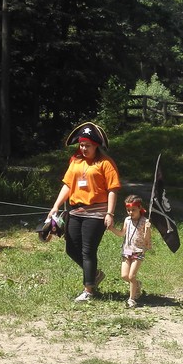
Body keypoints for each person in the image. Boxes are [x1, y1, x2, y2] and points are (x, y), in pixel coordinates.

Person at [47, 123, 120, 302]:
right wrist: (56, 206)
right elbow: (67, 185)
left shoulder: (106, 163)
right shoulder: (76, 161)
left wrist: (110, 214)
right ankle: (94, 274)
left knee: (88, 251)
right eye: (81, 145)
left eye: (87, 145)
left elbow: (112, 189)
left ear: (96, 146)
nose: (83, 148)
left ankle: (89, 290)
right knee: (71, 249)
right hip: (76, 212)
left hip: (96, 213)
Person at [108, 194, 151, 308]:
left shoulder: (144, 221)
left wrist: (147, 229)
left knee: (132, 276)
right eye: (128, 210)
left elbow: (147, 240)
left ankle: (131, 299)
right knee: (124, 275)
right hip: (127, 251)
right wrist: (112, 229)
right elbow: (122, 233)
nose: (131, 212)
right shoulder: (127, 220)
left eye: (133, 210)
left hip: (138, 251)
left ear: (139, 208)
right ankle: (137, 285)